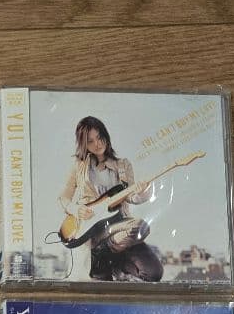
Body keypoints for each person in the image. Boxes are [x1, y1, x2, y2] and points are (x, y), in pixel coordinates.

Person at [58, 116, 159, 282]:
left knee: (153, 272)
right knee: (139, 226)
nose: (97, 144)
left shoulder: (123, 165)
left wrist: (144, 191)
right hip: (94, 229)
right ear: (84, 144)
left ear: (106, 135)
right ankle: (102, 257)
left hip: (121, 227)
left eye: (99, 137)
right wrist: (76, 209)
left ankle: (105, 257)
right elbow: (63, 198)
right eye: (90, 141)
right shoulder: (79, 166)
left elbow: (131, 197)